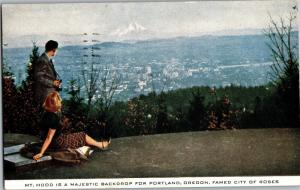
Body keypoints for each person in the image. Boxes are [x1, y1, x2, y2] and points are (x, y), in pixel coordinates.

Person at [33, 91, 111, 161]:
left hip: (53, 140)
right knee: (83, 135)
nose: (60, 105)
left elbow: (46, 131)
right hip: (58, 142)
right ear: (54, 105)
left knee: (74, 136)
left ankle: (93, 145)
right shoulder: (54, 118)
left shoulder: (44, 114)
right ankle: (100, 145)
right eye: (58, 103)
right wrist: (41, 153)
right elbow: (49, 138)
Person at [34, 40, 62, 106]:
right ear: (54, 50)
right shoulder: (43, 60)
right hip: (45, 95)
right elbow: (39, 77)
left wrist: (55, 83)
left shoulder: (47, 59)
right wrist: (53, 83)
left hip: (49, 95)